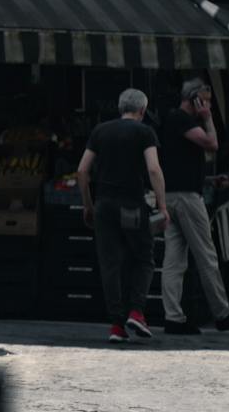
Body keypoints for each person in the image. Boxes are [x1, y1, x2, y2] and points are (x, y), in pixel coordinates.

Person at [77, 87, 168, 343]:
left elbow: (82, 171)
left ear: (120, 108)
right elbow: (153, 170)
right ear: (142, 110)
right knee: (143, 258)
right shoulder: (145, 132)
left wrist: (88, 205)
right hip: (132, 206)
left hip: (104, 206)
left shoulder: (100, 131)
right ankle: (137, 312)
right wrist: (162, 206)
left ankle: (116, 326)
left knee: (110, 264)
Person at [158, 77, 229, 333]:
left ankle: (173, 317)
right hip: (186, 199)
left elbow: (179, 164)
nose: (209, 105)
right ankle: (223, 314)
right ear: (195, 98)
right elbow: (211, 144)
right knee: (206, 255)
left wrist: (209, 180)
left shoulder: (172, 121)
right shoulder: (183, 119)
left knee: (174, 260)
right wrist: (207, 118)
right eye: (206, 100)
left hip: (171, 196)